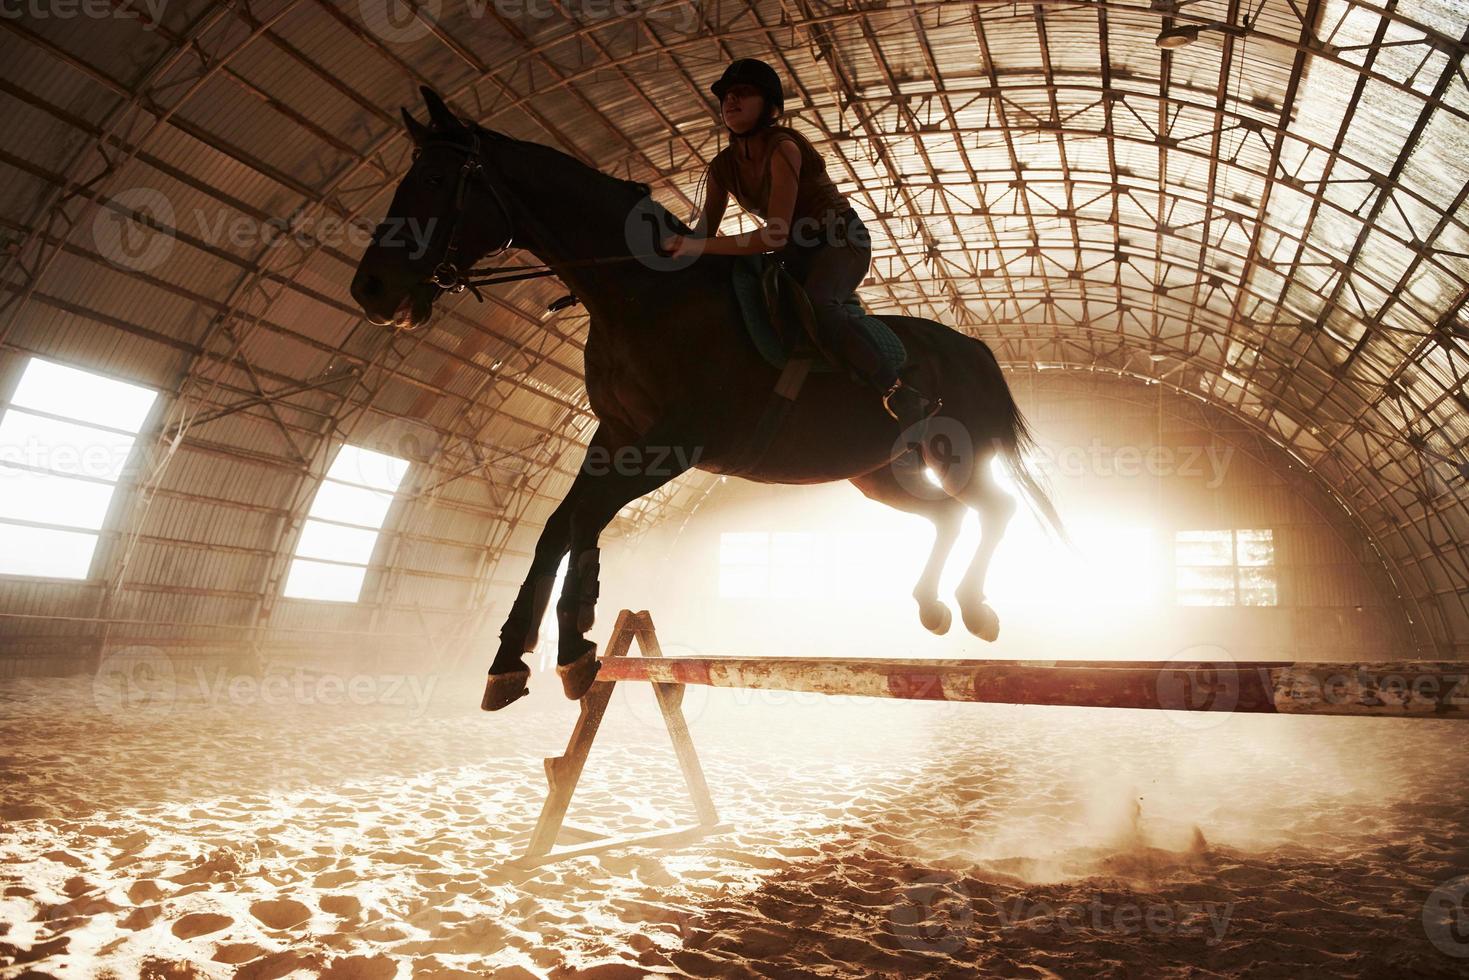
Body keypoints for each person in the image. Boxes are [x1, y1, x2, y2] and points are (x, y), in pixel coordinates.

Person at [660, 58, 935, 429]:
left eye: (744, 93)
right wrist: (667, 250)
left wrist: (696, 247)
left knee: (819, 303)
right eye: (727, 95)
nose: (731, 99)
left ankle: (898, 391)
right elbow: (704, 232)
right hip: (795, 254)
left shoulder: (784, 147)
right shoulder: (721, 167)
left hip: (841, 240)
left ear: (770, 107)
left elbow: (773, 233)